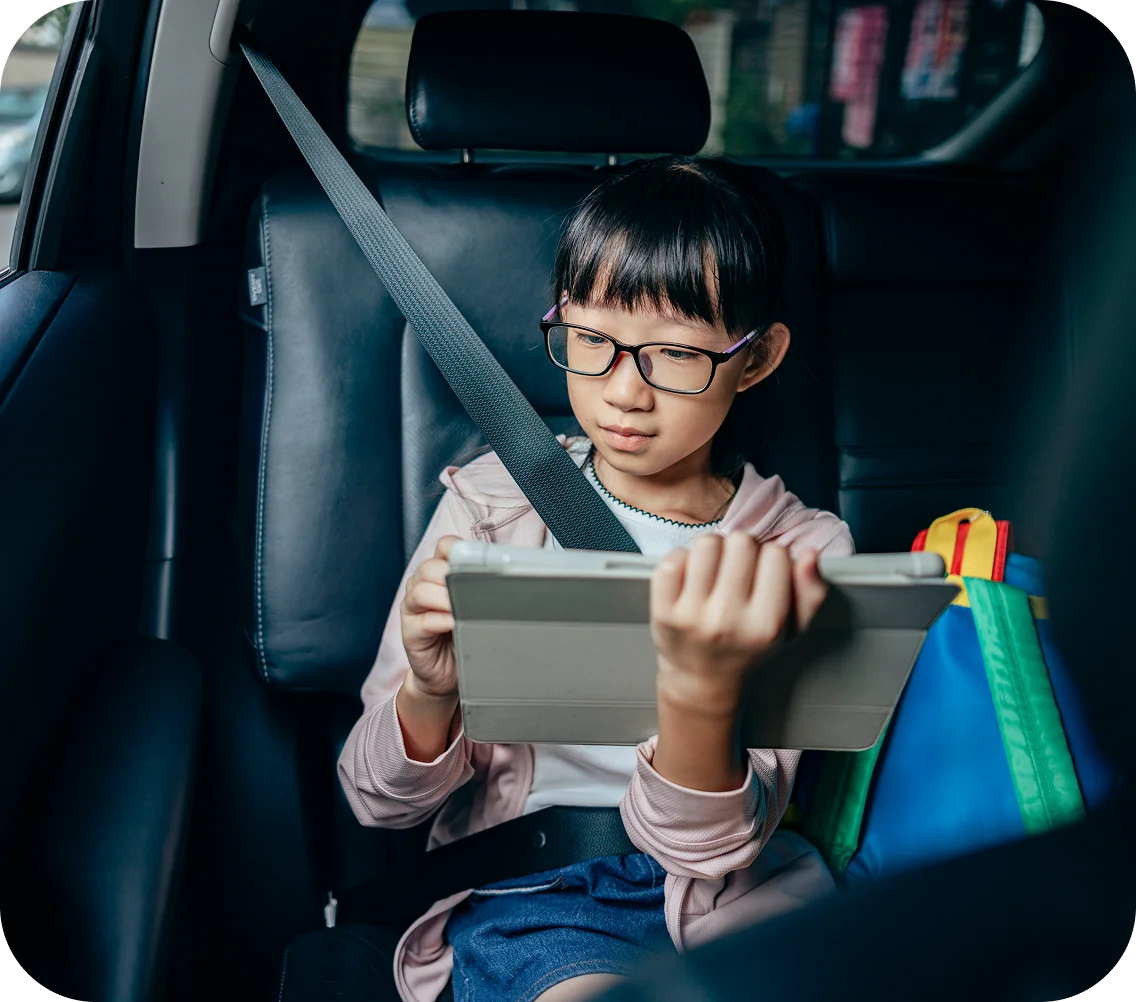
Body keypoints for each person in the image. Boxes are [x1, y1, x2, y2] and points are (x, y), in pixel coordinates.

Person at [337, 155, 854, 1002]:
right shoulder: (493, 508)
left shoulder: (800, 556)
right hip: (539, 898)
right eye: (591, 343)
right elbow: (377, 802)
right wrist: (431, 695)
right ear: (563, 323)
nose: (624, 394)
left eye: (676, 357)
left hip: (737, 906)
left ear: (754, 361)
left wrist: (701, 694)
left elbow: (711, 851)